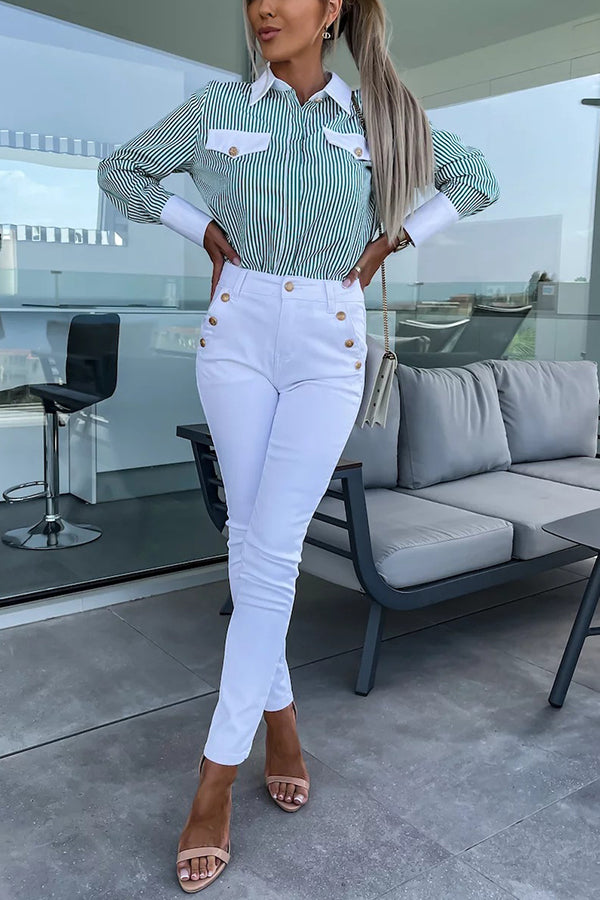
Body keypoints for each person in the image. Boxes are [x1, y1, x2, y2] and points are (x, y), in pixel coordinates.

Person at [97, 0, 500, 892]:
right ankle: (279, 723)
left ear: (332, 13)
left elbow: (477, 180)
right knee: (253, 543)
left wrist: (392, 240)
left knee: (271, 547)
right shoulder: (219, 107)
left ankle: (215, 776)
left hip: (329, 336)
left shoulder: (377, 117)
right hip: (237, 330)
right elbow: (122, 170)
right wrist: (201, 229)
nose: (264, 8)